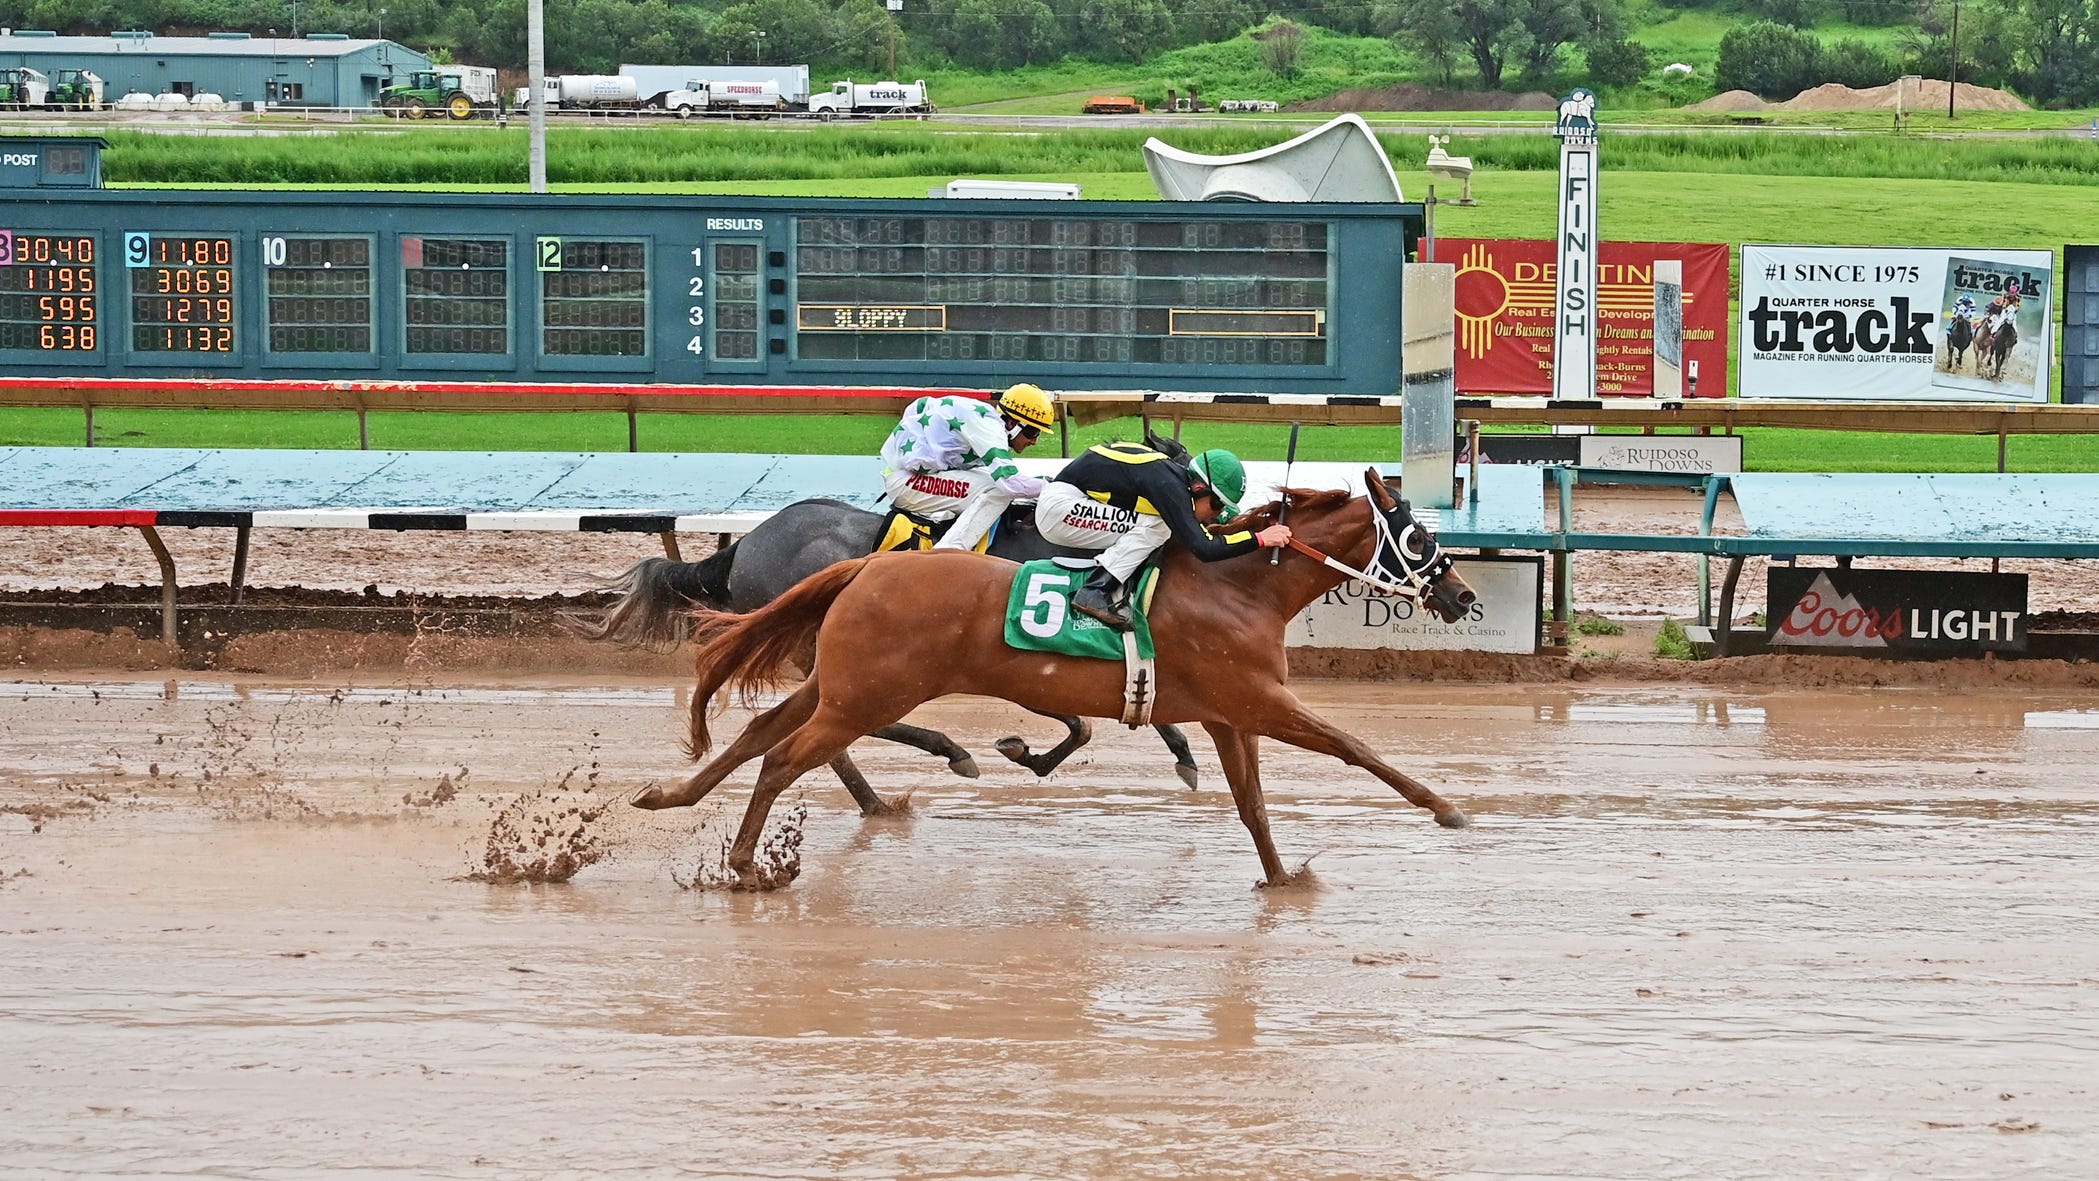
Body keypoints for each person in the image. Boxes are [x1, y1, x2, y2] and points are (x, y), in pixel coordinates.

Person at [1035, 440, 1290, 629]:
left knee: (1156, 524)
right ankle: (1095, 591)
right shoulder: (1170, 486)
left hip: (1068, 502)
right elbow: (1205, 548)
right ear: (1199, 487)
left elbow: (1200, 527)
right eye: (1216, 505)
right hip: (1060, 509)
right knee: (1159, 527)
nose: (1216, 513)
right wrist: (1260, 539)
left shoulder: (1171, 478)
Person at [879, 383, 1056, 553]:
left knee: (988, 478)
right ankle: (948, 552)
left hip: (905, 476)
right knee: (999, 491)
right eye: (1033, 432)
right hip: (906, 483)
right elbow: (1010, 484)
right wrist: (1057, 485)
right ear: (1012, 423)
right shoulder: (989, 428)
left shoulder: (981, 416)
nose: (1034, 441)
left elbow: (917, 406)